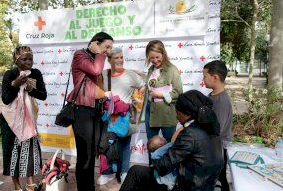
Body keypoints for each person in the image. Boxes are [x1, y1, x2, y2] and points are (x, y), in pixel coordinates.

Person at [120, 90, 224, 191]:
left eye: (177, 113)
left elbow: (163, 166)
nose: (176, 116)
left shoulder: (190, 134)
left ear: (186, 113)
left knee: (136, 171)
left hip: (187, 186)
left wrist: (156, 154)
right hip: (204, 185)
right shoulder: (213, 131)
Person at [66, 32, 114, 191]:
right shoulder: (80, 55)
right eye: (106, 46)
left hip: (94, 111)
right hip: (82, 112)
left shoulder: (95, 57)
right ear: (95, 42)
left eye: (110, 48)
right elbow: (95, 70)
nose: (108, 51)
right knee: (84, 157)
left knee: (92, 154)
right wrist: (100, 54)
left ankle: (89, 187)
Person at [0, 46, 47, 191]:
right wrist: (16, 84)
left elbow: (43, 95)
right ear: (16, 60)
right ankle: (17, 186)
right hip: (10, 120)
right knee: (13, 152)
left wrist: (31, 89)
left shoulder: (36, 73)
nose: (28, 62)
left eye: (30, 58)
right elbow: (6, 99)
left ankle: (30, 184)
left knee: (29, 151)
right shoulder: (10, 74)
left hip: (28, 118)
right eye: (24, 59)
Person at [97, 47, 145, 185]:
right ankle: (107, 173)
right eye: (116, 58)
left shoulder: (130, 74)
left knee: (124, 146)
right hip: (109, 117)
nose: (119, 60)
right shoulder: (104, 75)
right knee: (106, 144)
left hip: (125, 116)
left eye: (121, 57)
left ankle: (124, 172)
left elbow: (142, 85)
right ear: (109, 59)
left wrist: (135, 99)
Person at [141, 40, 183, 143]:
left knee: (169, 145)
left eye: (157, 57)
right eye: (151, 58)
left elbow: (178, 92)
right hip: (150, 111)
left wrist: (160, 94)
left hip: (167, 114)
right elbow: (152, 86)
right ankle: (153, 160)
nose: (155, 60)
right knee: (151, 144)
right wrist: (144, 88)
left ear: (163, 54)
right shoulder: (151, 69)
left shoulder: (172, 70)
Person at [203, 60, 233, 191]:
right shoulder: (211, 96)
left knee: (219, 179)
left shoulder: (221, 100)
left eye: (204, 76)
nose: (203, 79)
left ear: (215, 78)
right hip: (211, 146)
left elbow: (217, 129)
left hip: (218, 148)